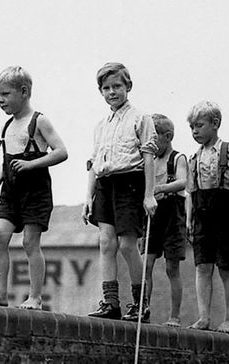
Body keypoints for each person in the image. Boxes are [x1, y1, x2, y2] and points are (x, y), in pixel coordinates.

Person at [0, 66, 68, 309]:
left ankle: (35, 297)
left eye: (4, 95)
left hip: (35, 191)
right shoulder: (8, 126)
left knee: (30, 242)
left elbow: (61, 152)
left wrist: (31, 165)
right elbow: (7, 157)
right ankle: (0, 292)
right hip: (11, 192)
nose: (0, 101)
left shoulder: (39, 121)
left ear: (24, 92)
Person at [83, 62, 157, 322]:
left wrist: (149, 194)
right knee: (106, 242)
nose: (112, 92)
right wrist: (88, 197)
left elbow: (148, 157)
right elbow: (93, 163)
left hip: (130, 182)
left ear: (128, 86)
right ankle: (110, 301)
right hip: (105, 183)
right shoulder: (100, 125)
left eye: (117, 86)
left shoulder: (141, 118)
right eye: (106, 88)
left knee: (127, 244)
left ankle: (140, 303)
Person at [186, 101, 229, 332]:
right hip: (202, 214)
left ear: (215, 124)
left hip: (226, 212)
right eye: (192, 127)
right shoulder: (193, 158)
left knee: (226, 267)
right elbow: (190, 193)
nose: (195, 131)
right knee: (202, 266)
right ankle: (203, 317)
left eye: (199, 125)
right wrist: (190, 220)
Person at [141, 113, 188, 327]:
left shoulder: (178, 158)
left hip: (172, 214)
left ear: (167, 136)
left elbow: (182, 182)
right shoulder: (149, 160)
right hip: (153, 216)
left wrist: (159, 188)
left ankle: (175, 316)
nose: (150, 144)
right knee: (146, 264)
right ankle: (143, 310)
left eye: (154, 138)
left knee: (171, 268)